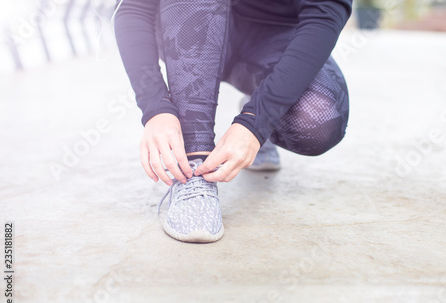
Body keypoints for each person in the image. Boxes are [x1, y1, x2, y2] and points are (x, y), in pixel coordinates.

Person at [113, 0, 351, 243]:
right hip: (188, 22)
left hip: (276, 37)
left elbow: (325, 13)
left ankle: (258, 101)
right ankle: (194, 168)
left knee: (317, 122)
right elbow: (134, 8)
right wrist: (156, 107)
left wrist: (257, 121)